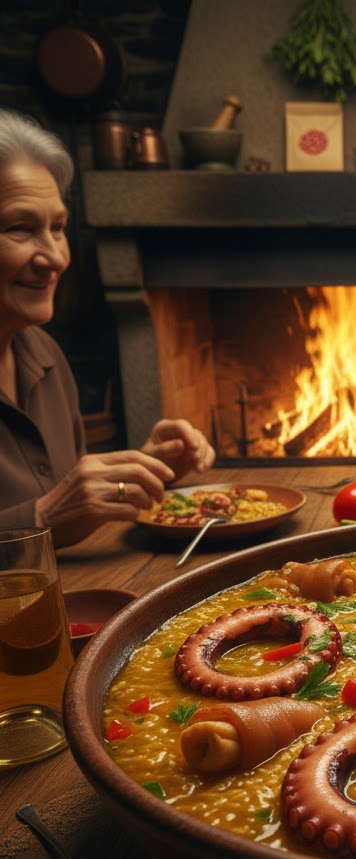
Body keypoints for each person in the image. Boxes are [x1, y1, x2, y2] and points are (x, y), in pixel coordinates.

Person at [0, 108, 215, 548]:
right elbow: (52, 512)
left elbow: (66, 503)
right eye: (21, 228)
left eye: (58, 228)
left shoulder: (44, 354)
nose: (55, 258)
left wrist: (142, 471)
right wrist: (42, 517)